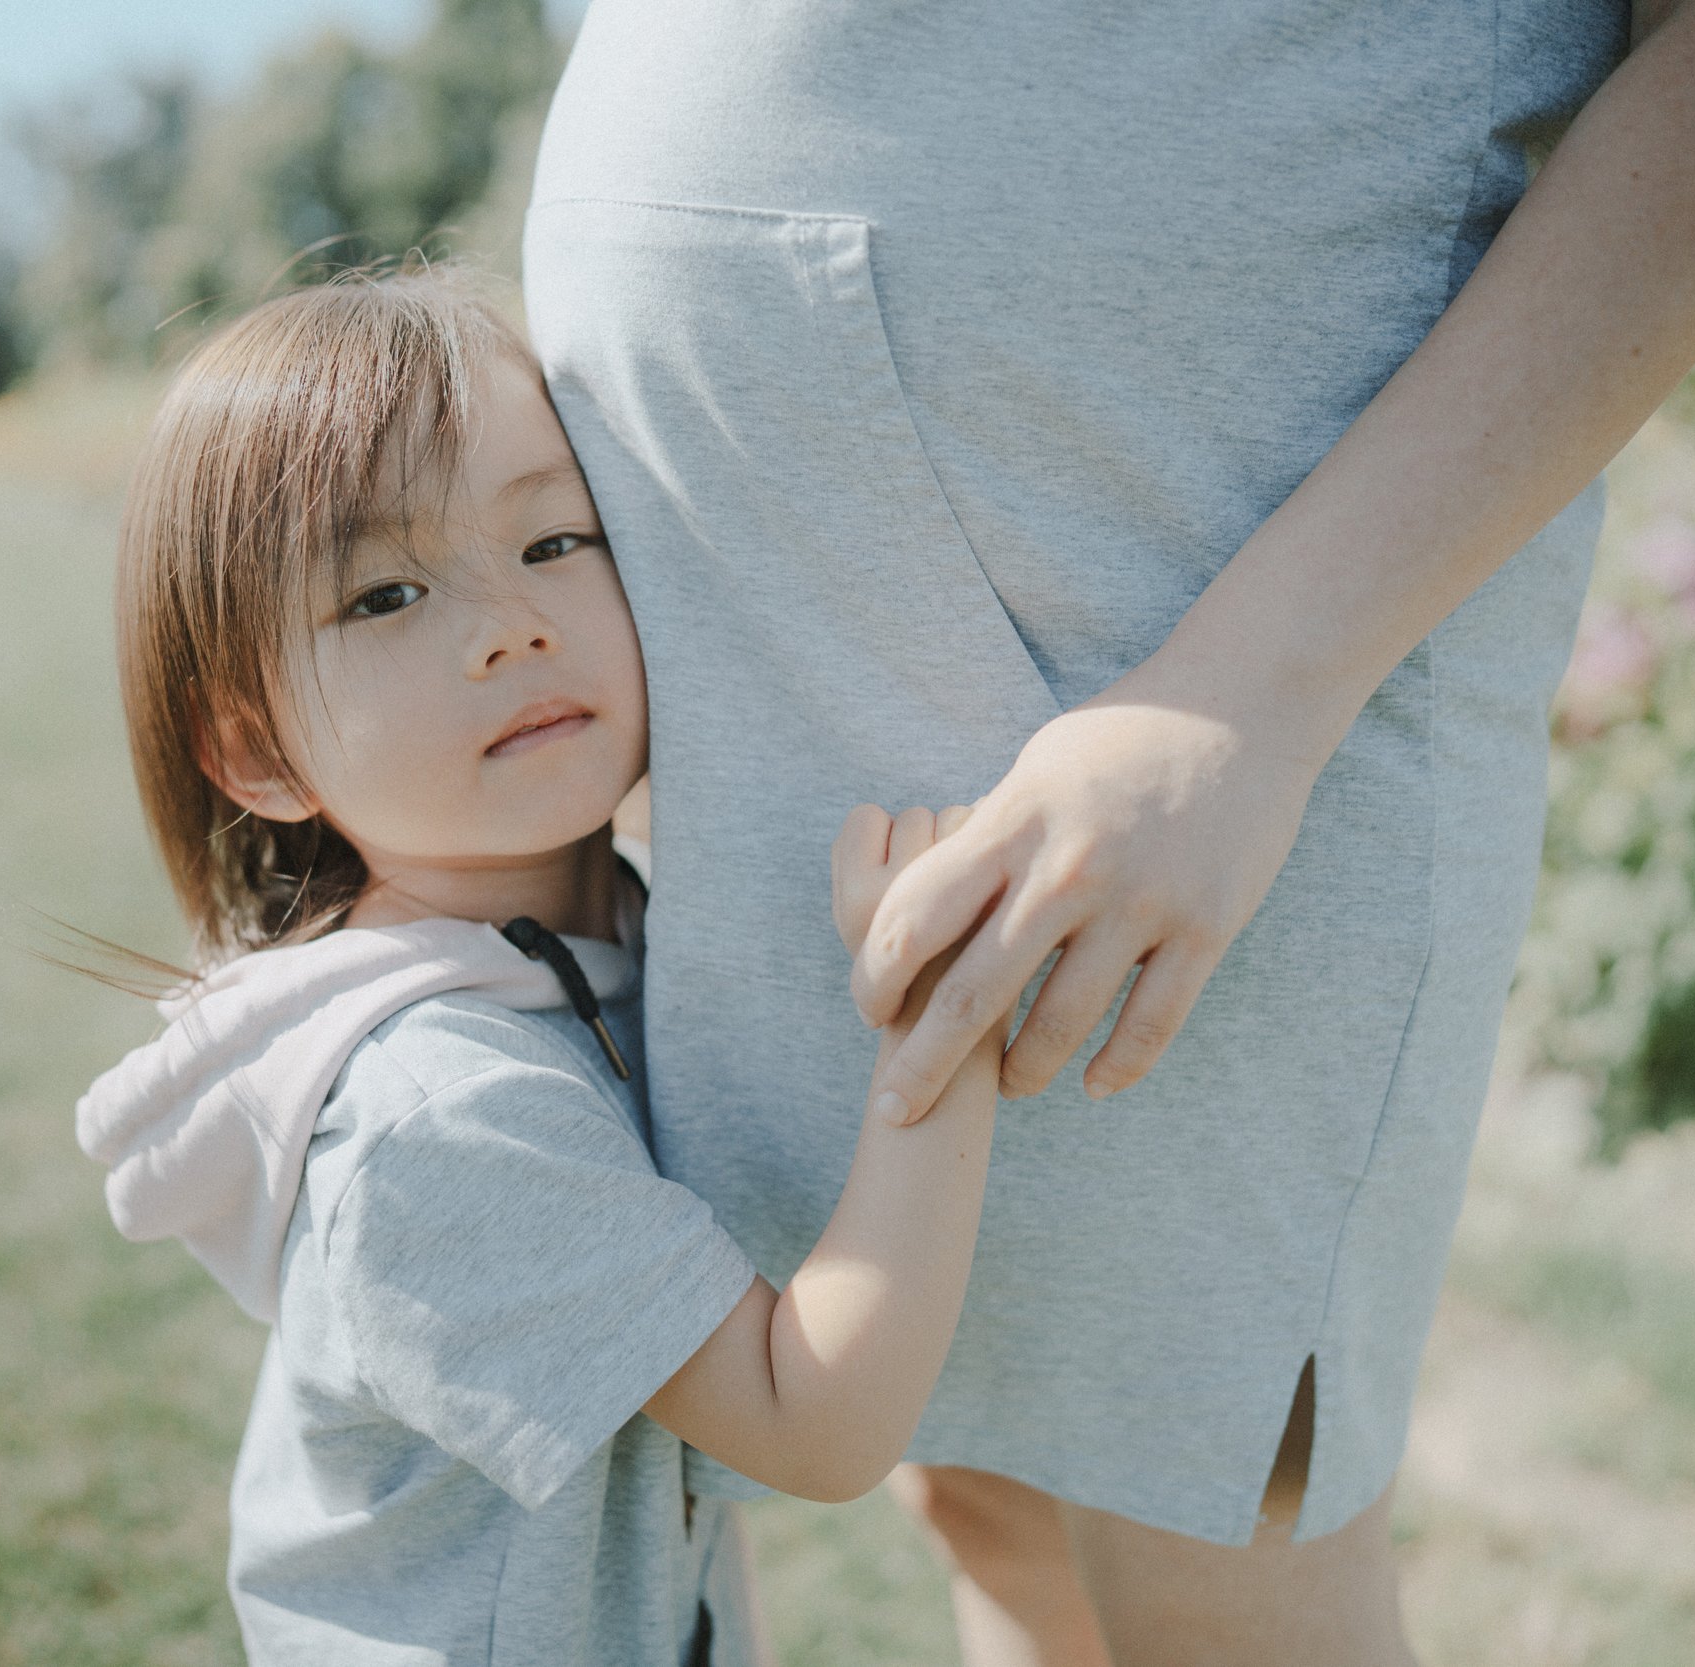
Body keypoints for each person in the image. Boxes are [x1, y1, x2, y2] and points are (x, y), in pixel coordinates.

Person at [523, 1, 1695, 1660]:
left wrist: (1243, 700)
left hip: (1193, 599)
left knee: (1208, 1533)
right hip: (771, 636)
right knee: (974, 1477)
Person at [73, 271, 1008, 1666]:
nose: (510, 622)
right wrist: (948, 1008)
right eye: (386, 593)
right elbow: (817, 1423)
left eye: (558, 539)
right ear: (259, 754)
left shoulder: (612, 937)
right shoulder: (436, 1113)